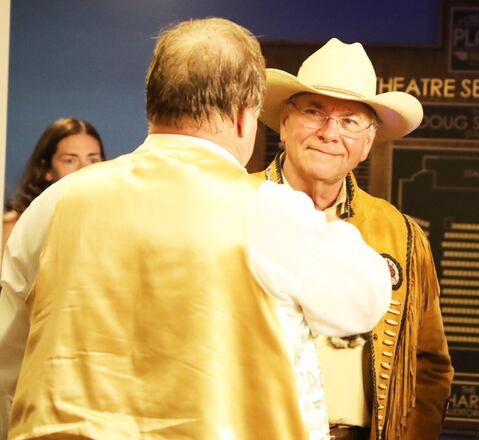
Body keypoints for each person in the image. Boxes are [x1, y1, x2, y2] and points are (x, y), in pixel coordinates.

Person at [0, 18, 393, 440]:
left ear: (153, 104)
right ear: (247, 116)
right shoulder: (269, 212)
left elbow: (9, 361)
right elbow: (364, 300)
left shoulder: (52, 206)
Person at [255, 38, 454, 440]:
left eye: (349, 122)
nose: (330, 133)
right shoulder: (234, 207)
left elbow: (430, 365)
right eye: (315, 112)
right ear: (286, 122)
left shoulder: (402, 236)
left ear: (366, 144)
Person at [3, 117, 105, 250]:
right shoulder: (15, 228)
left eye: (93, 160)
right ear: (47, 169)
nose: (83, 169)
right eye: (70, 160)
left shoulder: (114, 222)